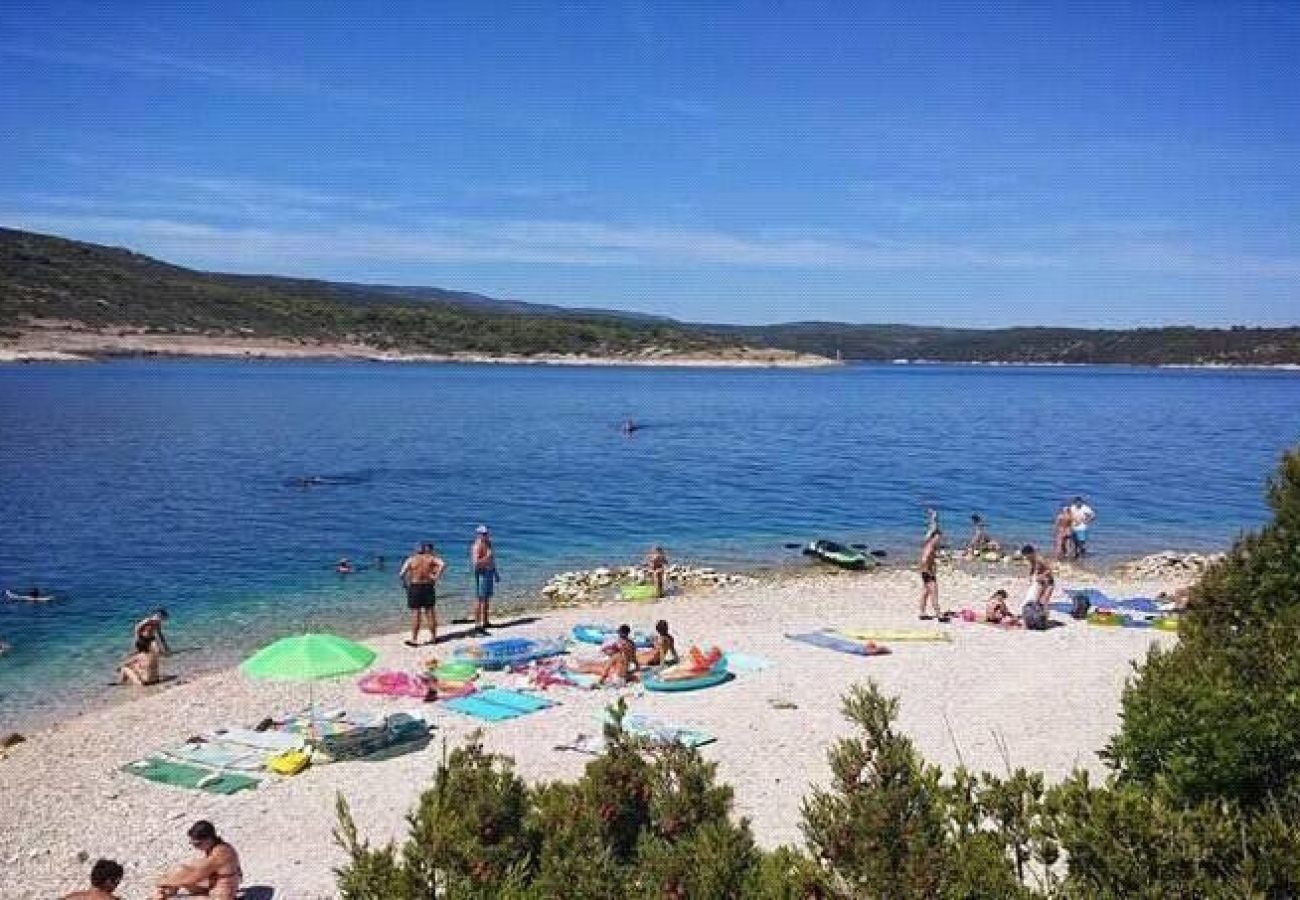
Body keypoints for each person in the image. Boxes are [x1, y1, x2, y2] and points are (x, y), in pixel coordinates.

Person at [153, 820, 241, 900]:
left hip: (221, 896)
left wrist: (165, 881)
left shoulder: (220, 853)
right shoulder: (217, 847)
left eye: (197, 844)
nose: (195, 847)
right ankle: (163, 893)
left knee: (181, 881)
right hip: (214, 888)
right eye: (192, 843)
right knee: (182, 871)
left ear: (209, 839)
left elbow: (195, 877)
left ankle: (162, 894)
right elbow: (195, 868)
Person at [399, 542, 445, 647]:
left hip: (415, 587)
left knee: (416, 613)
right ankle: (433, 638)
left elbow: (401, 574)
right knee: (430, 612)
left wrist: (405, 584)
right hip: (428, 586)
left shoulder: (411, 559)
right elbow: (442, 564)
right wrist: (436, 577)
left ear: (416, 550)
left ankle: (414, 640)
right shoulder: (430, 559)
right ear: (424, 550)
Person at [470, 525, 499, 634]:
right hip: (481, 574)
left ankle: (486, 621)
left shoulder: (488, 543)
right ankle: (477, 624)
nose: (485, 535)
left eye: (486, 533)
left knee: (487, 598)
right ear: (478, 534)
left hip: (489, 572)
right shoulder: (476, 546)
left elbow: (492, 559)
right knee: (479, 599)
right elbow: (476, 563)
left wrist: (495, 572)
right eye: (483, 534)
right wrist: (487, 557)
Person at [918, 527, 942, 620]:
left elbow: (932, 529)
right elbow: (924, 560)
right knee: (934, 593)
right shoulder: (931, 547)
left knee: (925, 592)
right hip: (928, 573)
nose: (939, 540)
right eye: (938, 538)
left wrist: (933, 517)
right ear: (933, 537)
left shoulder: (927, 543)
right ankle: (939, 614)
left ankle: (922, 613)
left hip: (924, 572)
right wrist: (929, 571)